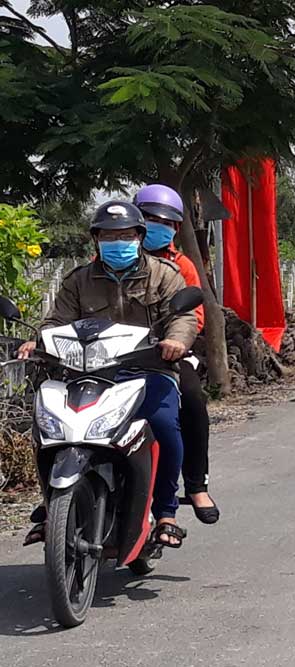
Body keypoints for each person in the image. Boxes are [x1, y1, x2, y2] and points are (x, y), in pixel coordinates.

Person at [19, 201, 198, 549]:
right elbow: (57, 320)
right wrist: (37, 339)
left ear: (140, 237)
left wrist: (176, 340)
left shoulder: (164, 275)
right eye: (110, 236)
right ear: (96, 240)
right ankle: (52, 502)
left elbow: (183, 316)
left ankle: (166, 513)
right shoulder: (79, 280)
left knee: (164, 426)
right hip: (89, 373)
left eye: (126, 235)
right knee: (49, 430)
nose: (119, 242)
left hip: (146, 369)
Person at [134, 184, 219, 525]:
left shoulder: (181, 265)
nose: (159, 226)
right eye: (151, 219)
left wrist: (176, 342)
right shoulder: (101, 263)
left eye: (166, 222)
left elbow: (193, 315)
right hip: (111, 357)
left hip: (166, 354)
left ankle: (196, 484)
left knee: (193, 400)